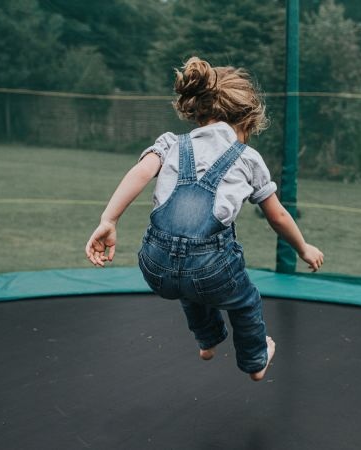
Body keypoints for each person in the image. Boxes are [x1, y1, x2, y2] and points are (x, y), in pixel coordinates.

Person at [85, 56, 324, 381]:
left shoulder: (171, 143)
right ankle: (256, 362)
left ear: (200, 111)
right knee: (244, 301)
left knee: (188, 284)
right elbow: (278, 216)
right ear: (244, 120)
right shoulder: (248, 158)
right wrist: (303, 248)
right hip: (211, 269)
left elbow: (140, 172)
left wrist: (108, 220)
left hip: (155, 267)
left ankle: (208, 341)